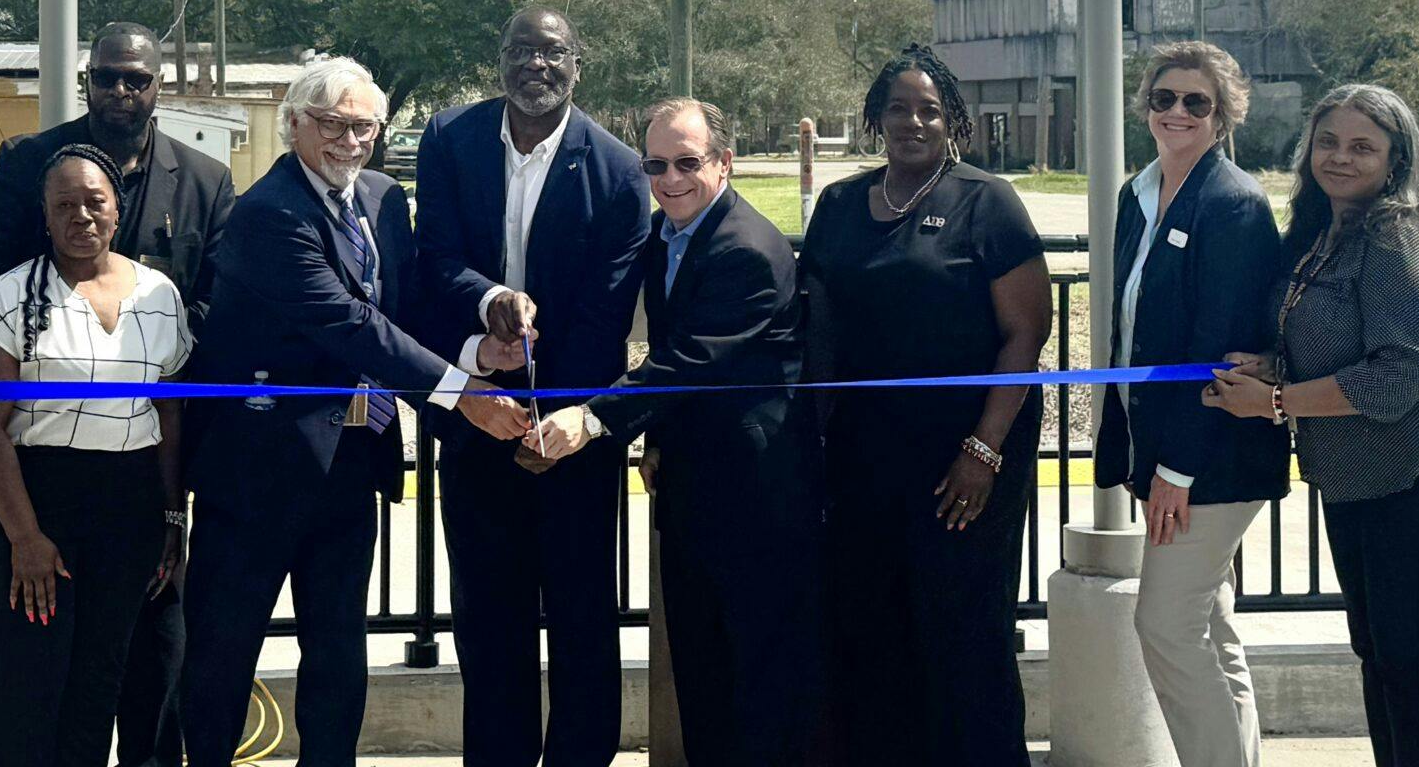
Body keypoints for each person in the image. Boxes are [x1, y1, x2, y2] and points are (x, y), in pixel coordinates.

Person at [178, 56, 532, 767]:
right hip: (256, 473)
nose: (351, 141)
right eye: (334, 125)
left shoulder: (379, 197)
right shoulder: (267, 215)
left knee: (339, 652)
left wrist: (475, 350)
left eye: (365, 126)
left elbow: (399, 311)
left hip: (350, 465)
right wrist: (462, 395)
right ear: (295, 125)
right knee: (223, 651)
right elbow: (347, 324)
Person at [0, 22, 234, 767]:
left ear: (159, 86)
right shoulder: (31, 160)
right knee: (23, 672)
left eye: (138, 79)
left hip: (140, 469)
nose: (122, 90)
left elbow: (219, 302)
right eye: (108, 77)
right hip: (34, 461)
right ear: (88, 80)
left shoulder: (206, 181)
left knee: (140, 663)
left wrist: (141, 352)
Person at [1209, 84, 1419, 767]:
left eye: (1363, 146)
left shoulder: (1398, 235)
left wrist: (1274, 405)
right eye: (1329, 141)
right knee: (1376, 652)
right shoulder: (1324, 231)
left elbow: (1397, 374)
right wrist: (1274, 365)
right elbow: (1335, 342)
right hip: (1355, 472)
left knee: (1406, 663)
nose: (1340, 157)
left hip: (1416, 470)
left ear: (1396, 160)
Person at [529, 98, 820, 767]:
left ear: (725, 162)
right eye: (655, 164)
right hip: (693, 485)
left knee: (760, 676)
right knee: (701, 667)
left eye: (688, 163)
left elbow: (687, 360)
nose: (671, 179)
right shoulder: (666, 234)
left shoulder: (745, 247)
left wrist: (594, 417)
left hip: (758, 495)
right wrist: (656, 441)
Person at [406, 7, 652, 767]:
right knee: (487, 622)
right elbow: (434, 261)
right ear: (499, 58)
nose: (535, 66)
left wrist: (555, 420)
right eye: (521, 51)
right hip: (479, 419)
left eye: (552, 53)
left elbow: (605, 315)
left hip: (574, 434)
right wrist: (488, 311)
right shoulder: (450, 139)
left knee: (582, 621)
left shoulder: (616, 167)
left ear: (578, 63)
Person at [797, 45, 1050, 766]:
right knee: (872, 631)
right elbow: (816, 327)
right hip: (862, 463)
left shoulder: (986, 200)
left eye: (930, 110)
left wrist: (984, 451)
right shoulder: (842, 204)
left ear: (953, 123)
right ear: (876, 118)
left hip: (962, 467)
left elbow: (1026, 333)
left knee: (963, 636)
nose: (913, 121)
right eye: (899, 108)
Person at [0, 144, 194, 767]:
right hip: (35, 503)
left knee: (99, 680)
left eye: (95, 202)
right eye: (65, 205)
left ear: (118, 210)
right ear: (44, 215)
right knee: (30, 684)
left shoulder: (159, 296)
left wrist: (171, 518)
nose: (81, 216)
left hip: (128, 505)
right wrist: (26, 538)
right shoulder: (6, 299)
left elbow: (169, 411)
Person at [1095, 41, 1288, 767]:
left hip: (1211, 459)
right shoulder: (1137, 194)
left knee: (1166, 627)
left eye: (1195, 102)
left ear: (1223, 115)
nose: (1176, 112)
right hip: (1161, 453)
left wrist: (1177, 469)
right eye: (1164, 98)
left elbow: (1221, 346)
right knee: (1208, 626)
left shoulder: (1232, 202)